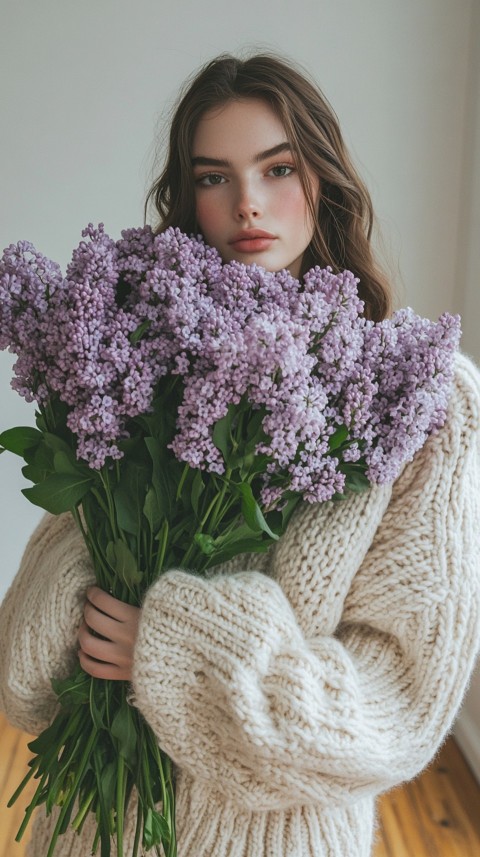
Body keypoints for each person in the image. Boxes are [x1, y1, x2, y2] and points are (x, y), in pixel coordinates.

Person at [1, 52, 479, 857]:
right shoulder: (135, 363)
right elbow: (23, 673)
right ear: (187, 198)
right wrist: (93, 575)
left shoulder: (427, 403)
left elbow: (397, 702)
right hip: (88, 831)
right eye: (214, 177)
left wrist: (177, 645)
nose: (248, 204)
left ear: (323, 179)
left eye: (278, 167)